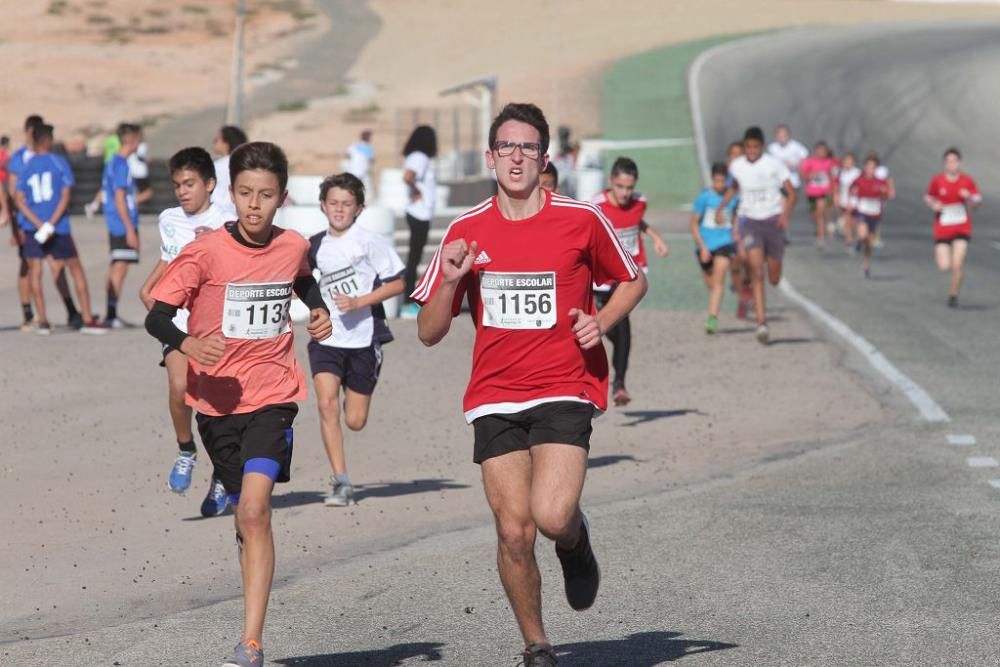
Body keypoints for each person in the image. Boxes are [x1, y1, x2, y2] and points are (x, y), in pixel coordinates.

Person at [412, 103, 646, 665]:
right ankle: (537, 645)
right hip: (494, 394)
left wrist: (602, 321)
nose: (517, 157)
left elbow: (633, 282)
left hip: (565, 384)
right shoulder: (465, 231)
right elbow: (428, 333)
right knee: (514, 531)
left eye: (528, 148)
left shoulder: (581, 219)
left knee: (551, 516)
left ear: (544, 158)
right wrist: (450, 282)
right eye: (507, 148)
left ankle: (575, 539)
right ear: (490, 158)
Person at [144, 141, 333, 667]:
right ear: (232, 194)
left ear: (282, 199)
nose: (254, 205)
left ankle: (250, 642)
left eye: (266, 195)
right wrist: (186, 344)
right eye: (246, 194)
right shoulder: (204, 253)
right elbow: (156, 315)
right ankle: (246, 540)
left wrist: (317, 310)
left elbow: (303, 279)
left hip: (274, 397)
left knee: (255, 510)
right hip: (216, 404)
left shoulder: (293, 244)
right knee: (242, 516)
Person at [139, 146, 230, 514]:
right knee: (179, 388)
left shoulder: (229, 220)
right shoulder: (169, 218)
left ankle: (223, 475)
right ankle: (185, 450)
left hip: (214, 324)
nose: (182, 191)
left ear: (209, 184)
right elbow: (169, 256)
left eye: (189, 183)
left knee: (215, 406)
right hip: (177, 321)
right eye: (177, 184)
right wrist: (148, 288)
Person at [306, 173, 405, 507]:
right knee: (326, 404)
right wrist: (316, 309)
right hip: (327, 337)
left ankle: (359, 389)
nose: (339, 209)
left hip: (363, 339)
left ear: (359, 208)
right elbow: (300, 282)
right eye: (333, 203)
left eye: (346, 204)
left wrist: (360, 302)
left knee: (355, 420)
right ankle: (342, 482)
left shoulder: (369, 241)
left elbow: (397, 283)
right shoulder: (314, 245)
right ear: (322, 205)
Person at [14, 124, 105, 335]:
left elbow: (19, 200)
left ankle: (43, 321)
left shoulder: (26, 167)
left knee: (35, 272)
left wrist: (37, 224)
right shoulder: (58, 162)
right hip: (58, 227)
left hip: (32, 227)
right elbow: (65, 195)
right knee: (75, 268)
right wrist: (50, 223)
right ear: (47, 140)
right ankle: (86, 317)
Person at [591, 157, 668, 405]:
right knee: (612, 326)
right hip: (602, 277)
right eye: (620, 186)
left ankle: (620, 384)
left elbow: (637, 221)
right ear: (611, 181)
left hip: (627, 274)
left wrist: (655, 237)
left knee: (622, 326)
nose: (625, 193)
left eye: (629, 187)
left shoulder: (640, 202)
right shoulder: (597, 205)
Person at [718, 126, 796, 345]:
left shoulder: (774, 164)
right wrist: (721, 207)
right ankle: (762, 324)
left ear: (762, 146)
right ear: (744, 147)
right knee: (756, 272)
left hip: (772, 221)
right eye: (748, 147)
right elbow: (734, 188)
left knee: (773, 277)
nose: (751, 151)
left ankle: (776, 263)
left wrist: (785, 216)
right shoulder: (737, 166)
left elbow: (791, 193)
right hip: (750, 222)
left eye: (755, 147)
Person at [8, 114, 81, 331]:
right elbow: (14, 195)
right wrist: (16, 226)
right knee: (29, 268)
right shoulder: (19, 159)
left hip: (45, 222)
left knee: (57, 266)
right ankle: (31, 313)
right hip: (27, 223)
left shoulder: (49, 158)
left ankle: (70, 310)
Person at [924, 147, 981, 308]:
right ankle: (947, 261)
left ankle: (953, 294)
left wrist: (969, 197)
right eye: (949, 161)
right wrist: (934, 205)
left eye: (955, 161)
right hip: (943, 228)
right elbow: (928, 197)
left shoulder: (967, 181)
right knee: (944, 266)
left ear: (959, 163)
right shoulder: (937, 180)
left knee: (958, 263)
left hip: (962, 228)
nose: (952, 164)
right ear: (944, 164)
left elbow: (977, 200)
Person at [102, 122, 143, 328]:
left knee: (116, 266)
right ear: (131, 140)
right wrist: (129, 229)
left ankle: (110, 312)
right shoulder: (121, 165)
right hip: (121, 222)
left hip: (115, 221)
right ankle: (111, 314)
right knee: (120, 267)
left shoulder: (113, 162)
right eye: (139, 138)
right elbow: (119, 198)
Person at [691, 163, 739, 334]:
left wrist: (736, 231)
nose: (719, 185)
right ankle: (715, 303)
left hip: (725, 244)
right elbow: (694, 224)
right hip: (705, 245)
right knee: (711, 283)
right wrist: (702, 247)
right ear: (711, 179)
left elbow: (736, 217)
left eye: (722, 181)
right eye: (716, 181)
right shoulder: (704, 197)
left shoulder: (732, 197)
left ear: (727, 180)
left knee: (719, 281)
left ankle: (712, 319)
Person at [398, 125, 437, 319]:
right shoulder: (420, 157)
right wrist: (417, 190)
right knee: (414, 259)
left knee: (415, 257)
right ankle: (408, 301)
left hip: (421, 213)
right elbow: (408, 176)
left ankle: (409, 299)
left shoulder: (417, 157)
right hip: (419, 213)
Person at [846, 156, 890, 279]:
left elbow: (886, 196)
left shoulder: (880, 182)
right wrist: (851, 202)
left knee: (869, 243)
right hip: (862, 211)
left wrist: (884, 193)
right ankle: (859, 241)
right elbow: (851, 191)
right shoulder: (859, 180)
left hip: (875, 214)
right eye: (869, 167)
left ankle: (866, 266)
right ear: (865, 168)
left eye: (873, 168)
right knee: (862, 234)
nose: (871, 170)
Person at [724, 141, 752, 320]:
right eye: (733, 154)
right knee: (734, 264)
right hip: (726, 225)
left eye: (739, 155)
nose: (736, 158)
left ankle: (746, 289)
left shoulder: (749, 174)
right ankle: (741, 296)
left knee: (746, 258)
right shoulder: (725, 177)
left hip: (746, 221)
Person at [799, 141, 837, 248]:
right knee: (815, 215)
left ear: (826, 152)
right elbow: (802, 175)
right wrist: (810, 174)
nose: (821, 153)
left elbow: (834, 177)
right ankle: (820, 230)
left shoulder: (830, 163)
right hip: (812, 193)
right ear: (816, 151)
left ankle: (821, 238)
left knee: (820, 213)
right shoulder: (809, 162)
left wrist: (834, 191)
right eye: (819, 150)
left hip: (825, 192)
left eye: (823, 151)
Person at [212, 125, 248, 221]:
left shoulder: (216, 167)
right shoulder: (247, 166)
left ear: (227, 143)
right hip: (239, 220)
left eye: (216, 140)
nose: (214, 142)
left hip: (217, 219)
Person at [767, 124, 809, 193]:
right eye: (780, 136)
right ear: (776, 136)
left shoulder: (795, 146)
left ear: (789, 135)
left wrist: (795, 165)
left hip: (793, 181)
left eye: (784, 136)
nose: (782, 138)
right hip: (777, 183)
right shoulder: (772, 148)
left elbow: (804, 159)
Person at [835, 152, 860, 247]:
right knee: (846, 219)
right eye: (846, 161)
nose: (847, 163)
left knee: (854, 221)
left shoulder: (858, 173)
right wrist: (836, 197)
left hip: (855, 200)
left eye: (850, 161)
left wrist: (855, 191)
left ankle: (856, 237)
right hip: (844, 199)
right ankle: (848, 239)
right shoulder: (841, 172)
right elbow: (837, 186)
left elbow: (860, 186)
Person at [345, 129, 376, 194]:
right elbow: (371, 160)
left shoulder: (354, 146)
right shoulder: (369, 148)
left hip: (352, 170)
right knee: (361, 189)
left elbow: (347, 155)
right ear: (368, 137)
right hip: (363, 172)